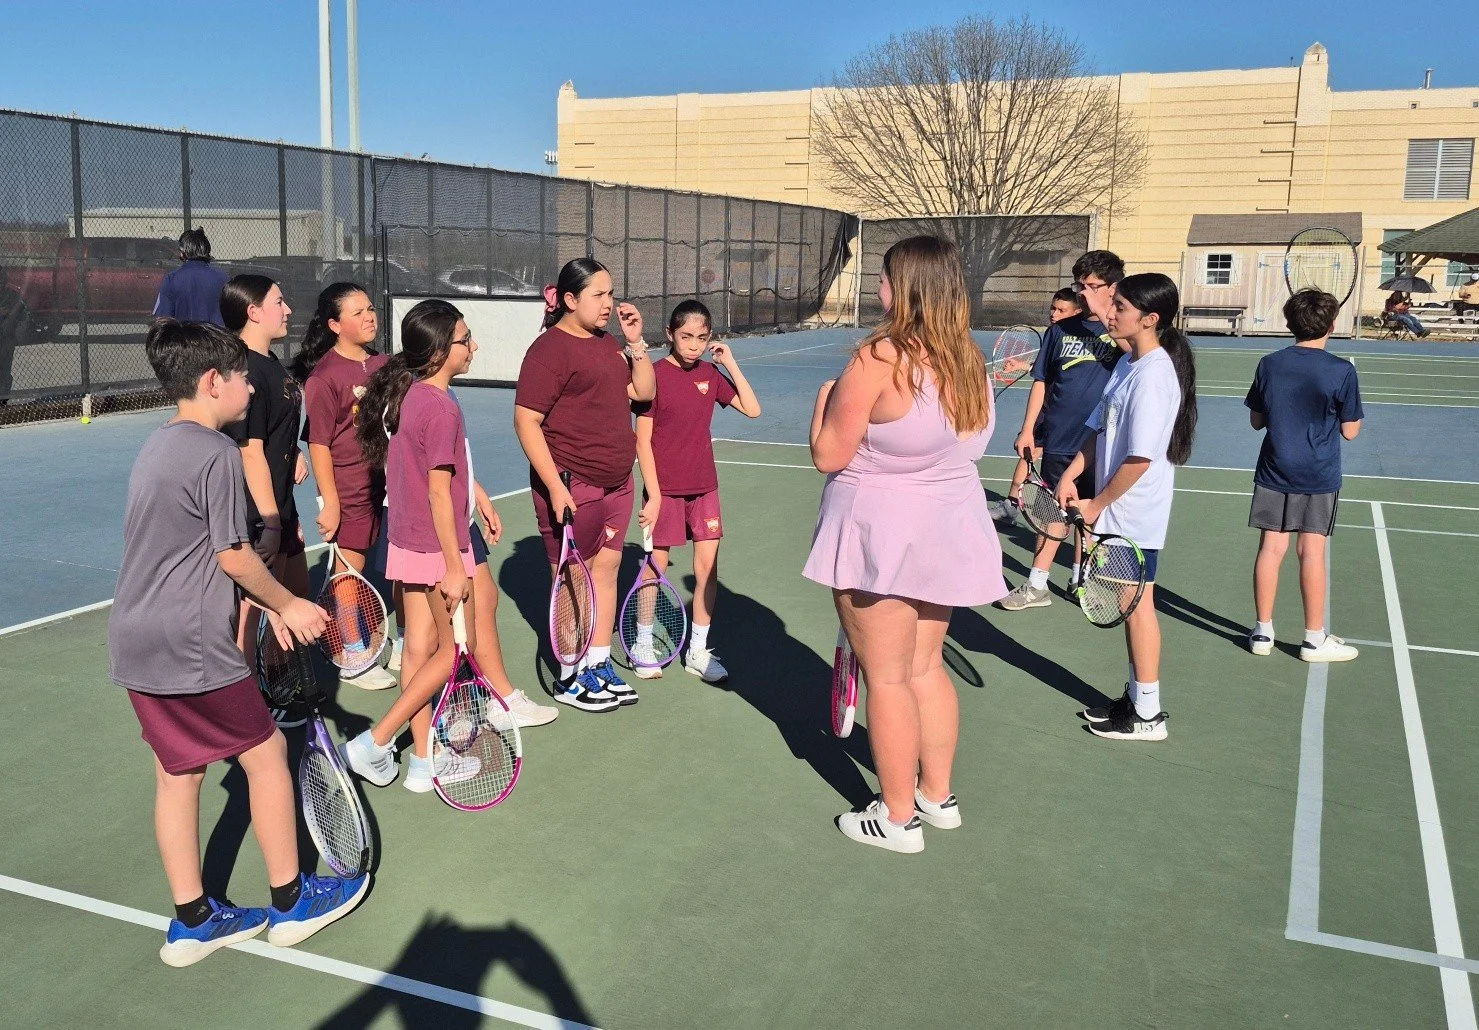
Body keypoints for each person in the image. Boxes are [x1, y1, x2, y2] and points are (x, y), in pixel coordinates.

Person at [109, 319, 364, 967]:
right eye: (243, 375)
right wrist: (289, 604)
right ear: (212, 381)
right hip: (192, 642)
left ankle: (194, 920)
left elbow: (184, 554)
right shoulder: (218, 455)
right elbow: (231, 556)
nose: (253, 385)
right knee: (265, 752)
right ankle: (290, 903)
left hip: (136, 639)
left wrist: (260, 607)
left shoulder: (155, 448)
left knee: (178, 773)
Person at [804, 235, 1006, 853]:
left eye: (886, 279)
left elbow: (827, 454)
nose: (879, 290)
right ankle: (936, 797)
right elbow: (970, 445)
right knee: (924, 667)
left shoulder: (878, 358)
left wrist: (822, 406)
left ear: (908, 287)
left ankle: (896, 820)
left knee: (886, 678)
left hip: (879, 535)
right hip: (946, 530)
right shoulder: (967, 359)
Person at [339, 300, 488, 789]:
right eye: (466, 339)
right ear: (443, 350)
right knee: (454, 650)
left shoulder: (409, 396)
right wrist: (453, 564)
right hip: (435, 548)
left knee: (419, 650)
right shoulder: (440, 407)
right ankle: (375, 739)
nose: (474, 346)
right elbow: (439, 493)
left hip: (406, 541)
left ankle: (422, 763)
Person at [1057, 272, 1198, 743]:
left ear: (1150, 319)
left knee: (1137, 608)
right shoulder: (1126, 365)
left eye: (1119, 306)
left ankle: (1149, 715)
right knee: (1131, 604)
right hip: (1116, 507)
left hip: (1134, 513)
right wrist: (1072, 471)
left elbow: (1140, 458)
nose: (1110, 312)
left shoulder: (1156, 377)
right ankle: (1138, 699)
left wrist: (1096, 503)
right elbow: (1101, 429)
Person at [513, 258, 655, 712]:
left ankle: (597, 663)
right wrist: (555, 486)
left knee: (607, 571)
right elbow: (526, 421)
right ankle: (570, 675)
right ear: (570, 300)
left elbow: (644, 393)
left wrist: (636, 344)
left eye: (611, 294)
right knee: (573, 577)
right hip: (576, 485)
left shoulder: (609, 343)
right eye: (599, 295)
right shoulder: (549, 350)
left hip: (618, 483)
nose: (609, 304)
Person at [632, 299, 762, 683]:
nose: (693, 345)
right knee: (655, 566)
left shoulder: (710, 373)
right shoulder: (652, 377)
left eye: (702, 338)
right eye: (686, 337)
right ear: (670, 335)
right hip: (664, 491)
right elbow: (643, 442)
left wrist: (730, 363)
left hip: (705, 488)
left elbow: (752, 409)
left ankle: (698, 651)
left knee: (707, 568)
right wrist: (653, 496)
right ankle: (642, 642)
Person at [997, 251, 1124, 610]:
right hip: (1059, 438)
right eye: (1079, 286)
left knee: (1088, 514)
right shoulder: (1059, 331)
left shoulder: (1122, 332)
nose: (1084, 293)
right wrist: (1027, 431)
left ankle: (1079, 579)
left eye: (1093, 286)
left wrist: (1103, 313)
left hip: (1101, 443)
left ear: (1113, 287)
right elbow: (1041, 381)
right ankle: (1037, 585)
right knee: (1053, 512)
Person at [1245, 289, 1363, 662]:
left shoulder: (1269, 363)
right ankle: (1314, 639)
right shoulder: (1342, 370)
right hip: (1318, 473)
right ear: (1332, 325)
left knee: (1271, 549)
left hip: (1275, 470)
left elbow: (1256, 421)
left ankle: (1262, 633)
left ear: (1288, 323)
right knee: (1311, 552)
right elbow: (1350, 431)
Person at [291, 282, 397, 690]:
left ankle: (402, 641)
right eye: (358, 312)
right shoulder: (324, 377)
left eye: (370, 308)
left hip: (387, 484)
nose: (370, 316)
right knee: (349, 571)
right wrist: (330, 502)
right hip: (348, 487)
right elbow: (317, 443)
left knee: (393, 565)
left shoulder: (385, 364)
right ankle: (352, 653)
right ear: (335, 324)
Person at [220, 275, 311, 727]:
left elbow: (275, 435)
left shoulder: (271, 364)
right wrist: (271, 521)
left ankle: (275, 682)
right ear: (253, 312)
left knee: (288, 597)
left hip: (280, 506)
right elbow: (248, 449)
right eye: (279, 301)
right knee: (250, 615)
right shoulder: (245, 371)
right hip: (259, 515)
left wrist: (294, 455)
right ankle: (245, 711)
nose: (288, 309)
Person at [987, 286, 1084, 524]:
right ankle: (1012, 504)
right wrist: (1022, 366)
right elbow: (1047, 372)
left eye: (1062, 310)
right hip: (1046, 411)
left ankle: (1078, 513)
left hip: (1070, 416)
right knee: (1029, 452)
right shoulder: (1055, 334)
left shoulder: (1080, 338)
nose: (1054, 313)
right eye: (1053, 308)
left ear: (1077, 312)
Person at [153, 227, 230, 326]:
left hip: (184, 339)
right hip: (217, 338)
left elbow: (163, 319)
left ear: (182, 252)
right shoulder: (223, 278)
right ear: (207, 250)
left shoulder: (172, 279)